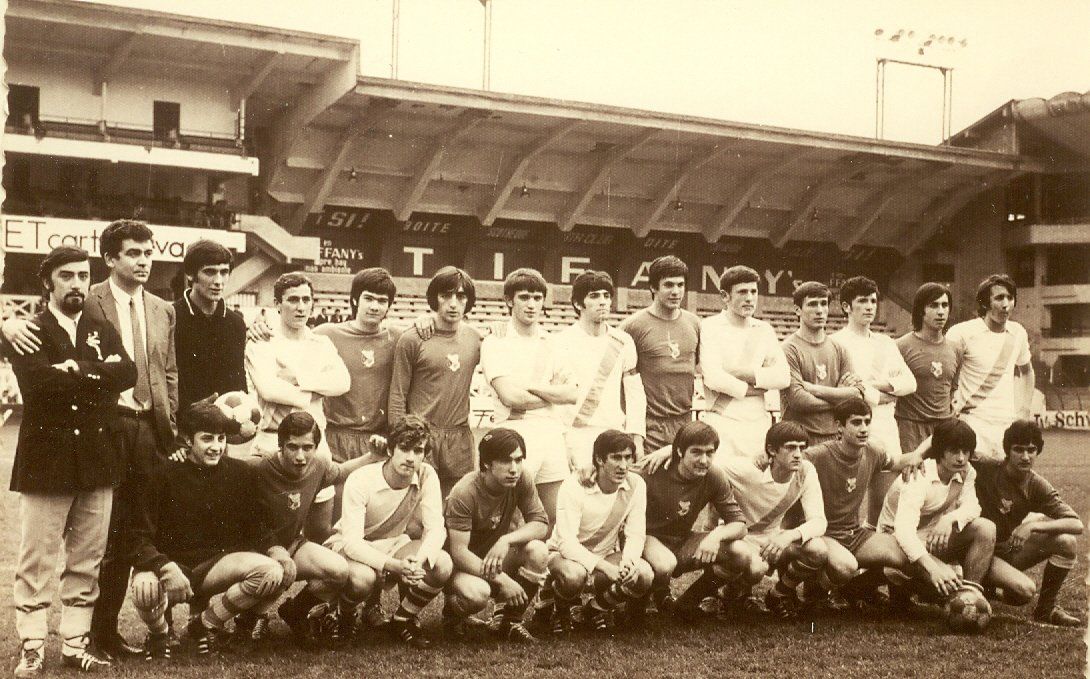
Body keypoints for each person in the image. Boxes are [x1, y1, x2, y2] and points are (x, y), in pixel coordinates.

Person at [6, 246, 135, 676]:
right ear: (48, 282)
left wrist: (77, 369)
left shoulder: (100, 327)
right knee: (37, 560)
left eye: (83, 276)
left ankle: (75, 643)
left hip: (97, 460)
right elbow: (39, 384)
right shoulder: (30, 329)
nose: (77, 284)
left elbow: (128, 373)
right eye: (67, 276)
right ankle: (32, 644)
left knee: (86, 559)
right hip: (47, 461)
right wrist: (99, 374)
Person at [127, 401, 291, 659]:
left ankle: (204, 625)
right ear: (187, 440)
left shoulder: (240, 473)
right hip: (171, 565)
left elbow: (257, 525)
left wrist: (277, 550)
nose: (216, 446)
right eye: (207, 438)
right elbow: (136, 537)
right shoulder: (161, 473)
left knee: (272, 571)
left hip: (214, 567)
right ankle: (160, 634)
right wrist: (165, 566)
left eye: (221, 438)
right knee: (145, 588)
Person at [237, 411, 383, 647]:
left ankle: (296, 611)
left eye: (307, 447)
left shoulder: (319, 465)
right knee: (275, 572)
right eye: (292, 447)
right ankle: (249, 618)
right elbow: (218, 472)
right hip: (254, 550)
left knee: (338, 570)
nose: (300, 456)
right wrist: (182, 455)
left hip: (292, 544)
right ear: (280, 445)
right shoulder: (258, 467)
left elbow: (340, 472)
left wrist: (372, 456)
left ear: (316, 447)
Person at [325, 415, 452, 648]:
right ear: (391, 449)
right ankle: (345, 615)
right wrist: (394, 566)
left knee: (441, 563)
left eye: (418, 450)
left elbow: (436, 528)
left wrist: (418, 561)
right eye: (404, 448)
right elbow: (352, 542)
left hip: (393, 543)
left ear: (424, 454)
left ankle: (402, 619)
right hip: (350, 546)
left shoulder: (426, 474)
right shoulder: (362, 478)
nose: (410, 457)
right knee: (363, 579)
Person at [799, 398, 924, 610]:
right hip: (823, 534)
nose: (864, 428)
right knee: (845, 566)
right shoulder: (819, 454)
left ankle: (854, 589)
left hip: (854, 534)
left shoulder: (873, 451)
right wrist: (763, 457)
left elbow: (895, 462)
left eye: (867, 422)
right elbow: (791, 461)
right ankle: (816, 593)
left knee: (906, 554)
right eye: (856, 422)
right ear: (839, 426)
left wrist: (916, 458)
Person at [637, 421, 762, 622]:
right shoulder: (653, 469)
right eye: (696, 452)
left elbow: (739, 524)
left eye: (709, 453)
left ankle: (688, 602)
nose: (704, 460)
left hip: (682, 541)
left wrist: (716, 536)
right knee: (664, 564)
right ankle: (635, 609)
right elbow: (617, 471)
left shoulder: (713, 475)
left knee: (741, 553)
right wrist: (590, 469)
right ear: (679, 451)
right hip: (646, 539)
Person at [479, 268, 575, 524]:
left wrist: (531, 388)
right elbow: (511, 397)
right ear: (509, 300)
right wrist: (552, 395)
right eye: (524, 297)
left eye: (537, 298)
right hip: (515, 430)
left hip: (551, 432)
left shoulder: (552, 342)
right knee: (513, 516)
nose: (531, 304)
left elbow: (572, 393)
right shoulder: (496, 341)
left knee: (553, 515)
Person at [443, 428, 550, 642]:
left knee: (538, 550)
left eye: (518, 460)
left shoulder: (521, 478)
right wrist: (502, 580)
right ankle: (451, 615)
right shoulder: (464, 492)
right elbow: (459, 552)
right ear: (486, 463)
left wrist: (506, 539)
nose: (514, 469)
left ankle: (509, 622)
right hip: (461, 567)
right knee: (478, 594)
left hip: (493, 557)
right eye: (505, 461)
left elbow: (541, 523)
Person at [876, 419, 995, 610]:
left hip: (927, 537)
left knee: (986, 527)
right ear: (940, 451)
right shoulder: (919, 475)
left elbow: (973, 506)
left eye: (965, 452)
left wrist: (949, 519)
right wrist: (933, 568)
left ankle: (970, 594)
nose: (961, 458)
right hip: (893, 542)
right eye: (954, 451)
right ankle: (882, 584)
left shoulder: (966, 471)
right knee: (946, 583)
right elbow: (904, 532)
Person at [542, 430, 652, 633]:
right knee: (574, 575)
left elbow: (636, 533)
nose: (623, 465)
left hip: (604, 556)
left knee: (643, 574)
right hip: (562, 556)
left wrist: (629, 561)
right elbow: (566, 543)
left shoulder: (637, 484)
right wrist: (604, 567)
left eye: (628, 457)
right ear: (599, 459)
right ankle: (560, 607)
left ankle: (594, 609)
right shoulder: (574, 485)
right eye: (616, 457)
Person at [721, 421, 834, 618]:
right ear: (772, 450)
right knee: (756, 569)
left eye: (801, 448)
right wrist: (669, 450)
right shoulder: (748, 469)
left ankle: (778, 594)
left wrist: (789, 535)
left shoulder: (805, 470)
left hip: (773, 538)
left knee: (818, 550)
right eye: (791, 447)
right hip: (741, 538)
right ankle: (730, 594)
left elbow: (819, 521)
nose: (798, 454)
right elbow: (707, 463)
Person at [977, 420, 1084, 626]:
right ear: (1007, 450)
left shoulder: (1036, 485)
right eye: (1018, 450)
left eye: (1031, 450)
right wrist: (917, 457)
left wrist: (1033, 526)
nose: (1026, 456)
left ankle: (1045, 609)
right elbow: (949, 444)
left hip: (1003, 550)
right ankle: (980, 587)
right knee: (1020, 591)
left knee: (1066, 543)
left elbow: (1076, 523)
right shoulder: (987, 466)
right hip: (972, 549)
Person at [388, 266, 482, 495]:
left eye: (461, 296)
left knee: (456, 505)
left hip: (459, 439)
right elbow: (397, 394)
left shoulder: (474, 339)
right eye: (445, 295)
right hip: (421, 436)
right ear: (434, 298)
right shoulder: (412, 338)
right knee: (417, 505)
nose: (453, 304)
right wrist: (401, 440)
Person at [831, 276, 917, 525]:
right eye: (862, 301)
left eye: (872, 301)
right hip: (852, 424)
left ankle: (876, 546)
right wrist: (886, 393)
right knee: (846, 496)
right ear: (846, 306)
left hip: (884, 424)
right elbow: (843, 391)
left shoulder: (885, 342)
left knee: (884, 498)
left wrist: (870, 387)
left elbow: (909, 384)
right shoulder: (836, 342)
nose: (869, 307)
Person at [245, 272, 350, 458]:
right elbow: (270, 390)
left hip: (315, 443)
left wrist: (298, 378)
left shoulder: (322, 343)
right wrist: (317, 392)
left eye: (306, 300)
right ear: (277, 304)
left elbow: (342, 382)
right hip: (272, 441)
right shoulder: (261, 342)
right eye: (293, 300)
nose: (301, 307)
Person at [553, 271, 646, 471]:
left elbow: (635, 394)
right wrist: (562, 440)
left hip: (613, 433)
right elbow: (555, 399)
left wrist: (637, 437)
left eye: (606, 296)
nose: (602, 302)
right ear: (578, 303)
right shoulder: (560, 341)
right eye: (594, 296)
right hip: (575, 434)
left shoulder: (623, 341)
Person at [699, 265, 789, 461]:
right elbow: (714, 378)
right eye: (742, 292)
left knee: (757, 476)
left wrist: (742, 373)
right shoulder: (709, 327)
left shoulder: (764, 330)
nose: (749, 298)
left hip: (758, 424)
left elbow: (783, 377)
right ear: (725, 296)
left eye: (753, 292)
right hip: (722, 420)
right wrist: (755, 388)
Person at [946, 274, 1035, 460]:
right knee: (973, 476)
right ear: (985, 303)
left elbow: (1027, 371)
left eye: (1010, 298)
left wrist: (1024, 410)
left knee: (1006, 477)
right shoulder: (962, 333)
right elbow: (946, 374)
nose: (1006, 304)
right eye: (999, 298)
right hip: (972, 422)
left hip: (1006, 424)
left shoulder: (1018, 332)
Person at [619, 255, 701, 455]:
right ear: (653, 288)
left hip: (684, 422)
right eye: (668, 285)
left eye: (680, 285)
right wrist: (634, 431)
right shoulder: (632, 326)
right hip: (648, 426)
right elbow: (622, 381)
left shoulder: (694, 324)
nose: (676, 291)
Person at [781, 281, 862, 444]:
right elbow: (799, 400)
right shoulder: (788, 349)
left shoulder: (839, 349)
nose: (819, 310)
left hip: (835, 437)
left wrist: (815, 389)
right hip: (799, 439)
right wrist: (839, 396)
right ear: (797, 310)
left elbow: (856, 396)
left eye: (823, 304)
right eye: (812, 304)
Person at [174, 240, 246, 413]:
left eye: (224, 272)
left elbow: (238, 381)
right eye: (209, 272)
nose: (218, 281)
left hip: (226, 421)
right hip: (182, 420)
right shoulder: (171, 316)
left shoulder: (236, 323)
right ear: (190, 274)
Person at [895, 283, 963, 453]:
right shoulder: (900, 346)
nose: (941, 311)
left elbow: (952, 389)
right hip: (911, 428)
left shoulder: (956, 349)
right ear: (921, 310)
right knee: (913, 470)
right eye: (933, 305)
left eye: (945, 305)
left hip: (944, 428)